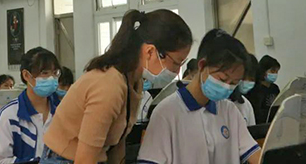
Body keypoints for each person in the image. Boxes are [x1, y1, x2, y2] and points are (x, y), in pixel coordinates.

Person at [41, 9, 193, 164]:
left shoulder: (133, 81)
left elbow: (117, 142)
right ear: (150, 52)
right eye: (176, 63)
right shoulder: (109, 86)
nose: (177, 71)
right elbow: (84, 159)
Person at [138, 29, 261, 164]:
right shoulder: (166, 113)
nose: (227, 87)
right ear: (202, 65)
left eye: (233, 83)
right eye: (222, 79)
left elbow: (254, 154)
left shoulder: (230, 111)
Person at [0, 47, 61, 164]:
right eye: (45, 73)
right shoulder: (9, 115)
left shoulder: (62, 110)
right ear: (27, 75)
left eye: (55, 73)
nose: (52, 78)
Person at [246, 54, 281, 124]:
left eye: (277, 72)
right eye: (272, 71)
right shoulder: (254, 89)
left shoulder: (275, 88)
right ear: (263, 70)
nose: (275, 74)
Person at [230, 54, 258, 126]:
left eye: (251, 79)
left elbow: (251, 129)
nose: (247, 81)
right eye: (243, 78)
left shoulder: (246, 104)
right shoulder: (218, 102)